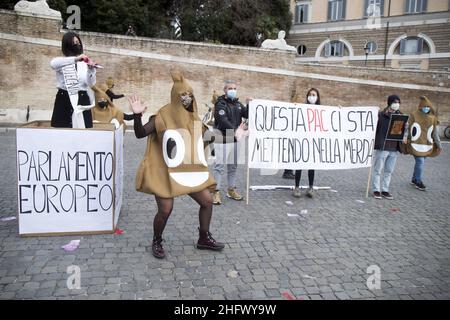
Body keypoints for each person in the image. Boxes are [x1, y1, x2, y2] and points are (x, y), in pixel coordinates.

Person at [128, 70, 224, 259]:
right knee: (165, 209)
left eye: (189, 95)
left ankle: (204, 237)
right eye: (182, 95)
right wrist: (137, 116)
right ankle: (157, 239)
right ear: (175, 97)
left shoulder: (195, 119)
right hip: (164, 172)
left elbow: (212, 137)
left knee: (207, 201)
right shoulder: (161, 116)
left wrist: (236, 136)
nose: (187, 99)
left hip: (186, 171)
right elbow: (140, 134)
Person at [212, 80, 251, 205]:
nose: (233, 90)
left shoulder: (238, 104)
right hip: (223, 137)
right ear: (225, 90)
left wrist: (249, 104)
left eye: (234, 88)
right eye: (230, 88)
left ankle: (231, 190)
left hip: (235, 138)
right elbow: (222, 120)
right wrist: (235, 131)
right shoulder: (220, 104)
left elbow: (247, 114)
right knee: (219, 166)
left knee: (233, 166)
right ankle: (215, 192)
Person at [50, 32, 97, 128]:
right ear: (67, 45)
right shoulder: (62, 62)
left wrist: (91, 70)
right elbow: (53, 64)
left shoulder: (84, 64)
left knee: (84, 130)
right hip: (65, 97)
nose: (77, 45)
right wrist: (75, 59)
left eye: (78, 42)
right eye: (74, 43)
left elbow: (91, 83)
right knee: (62, 129)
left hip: (82, 98)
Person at [371, 95, 406, 200]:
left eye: (399, 102)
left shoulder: (401, 116)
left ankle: (385, 190)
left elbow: (404, 131)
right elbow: (373, 127)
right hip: (383, 147)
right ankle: (376, 190)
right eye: (395, 102)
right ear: (390, 103)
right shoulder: (381, 115)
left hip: (394, 148)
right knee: (378, 170)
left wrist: (404, 135)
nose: (397, 104)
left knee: (388, 171)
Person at [405, 96, 443, 191]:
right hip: (416, 143)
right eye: (424, 106)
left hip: (427, 145)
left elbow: (434, 133)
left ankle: (414, 178)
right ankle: (418, 181)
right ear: (420, 107)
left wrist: (439, 145)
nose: (426, 108)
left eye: (428, 107)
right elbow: (408, 127)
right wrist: (405, 137)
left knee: (420, 162)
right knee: (420, 162)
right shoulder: (414, 115)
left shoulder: (432, 118)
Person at [292, 88, 321, 198]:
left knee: (311, 165)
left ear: (317, 97)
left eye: (314, 95)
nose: (312, 96)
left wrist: (339, 110)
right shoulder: (302, 108)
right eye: (310, 94)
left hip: (313, 142)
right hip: (302, 140)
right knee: (299, 164)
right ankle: (296, 187)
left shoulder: (322, 110)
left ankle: (310, 187)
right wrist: (293, 108)